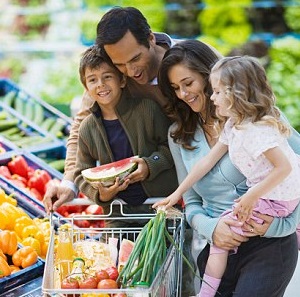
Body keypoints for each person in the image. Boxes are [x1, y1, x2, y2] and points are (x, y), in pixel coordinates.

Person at [153, 40, 300, 297]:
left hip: (269, 245)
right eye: (175, 88)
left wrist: (282, 225)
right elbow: (192, 202)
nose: (183, 94)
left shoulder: (261, 119)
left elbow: (293, 170)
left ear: (210, 78)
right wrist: (211, 229)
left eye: (189, 83)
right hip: (220, 247)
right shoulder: (179, 136)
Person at [70, 45, 177, 218]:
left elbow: (172, 147)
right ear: (86, 88)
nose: (101, 85)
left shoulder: (147, 110)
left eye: (107, 77)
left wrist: (151, 165)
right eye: (92, 80)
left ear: (122, 80)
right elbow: (80, 172)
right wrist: (100, 194)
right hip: (117, 214)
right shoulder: (87, 128)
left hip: (161, 207)